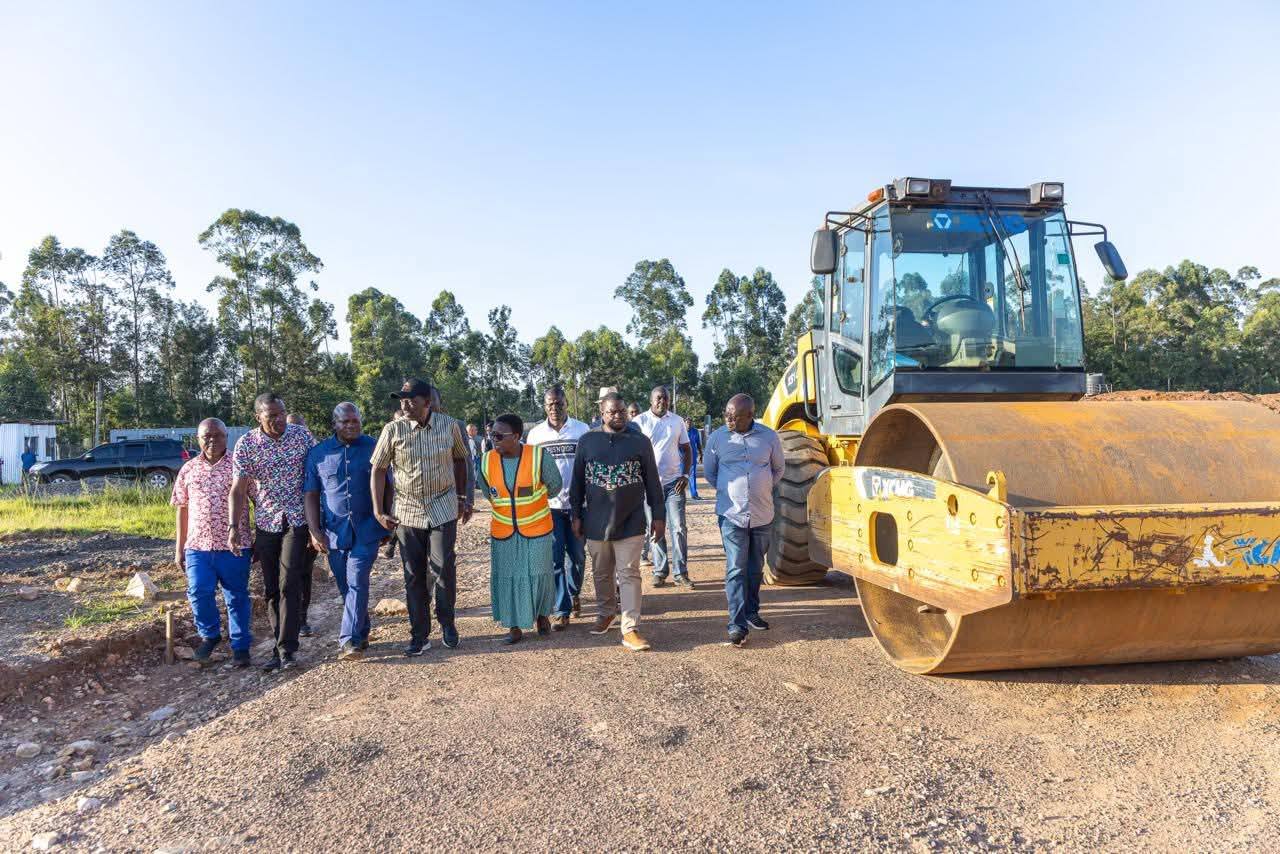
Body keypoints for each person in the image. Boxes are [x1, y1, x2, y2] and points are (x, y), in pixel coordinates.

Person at [371, 379, 472, 656]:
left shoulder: (448, 425)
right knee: (413, 575)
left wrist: (462, 498)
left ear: (427, 403)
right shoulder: (393, 430)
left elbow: (461, 458)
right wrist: (379, 510)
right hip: (408, 511)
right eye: (401, 400)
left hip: (442, 507)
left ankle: (447, 623)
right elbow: (378, 469)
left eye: (411, 400)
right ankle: (419, 634)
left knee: (443, 568)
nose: (404, 405)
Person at [570, 391, 665, 652]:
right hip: (596, 522)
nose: (618, 415)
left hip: (631, 520)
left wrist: (659, 516)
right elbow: (577, 482)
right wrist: (575, 514)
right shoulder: (588, 441)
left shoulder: (640, 442)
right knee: (601, 573)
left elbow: (653, 483)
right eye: (612, 411)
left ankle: (630, 628)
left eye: (622, 411)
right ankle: (606, 612)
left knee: (629, 574)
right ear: (602, 413)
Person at [229, 393, 314, 672]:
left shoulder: (301, 436)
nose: (278, 420)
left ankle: (287, 650)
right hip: (266, 522)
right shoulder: (247, 444)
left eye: (281, 414)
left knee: (289, 582)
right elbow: (239, 490)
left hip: (297, 520)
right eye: (271, 416)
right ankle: (279, 649)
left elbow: (318, 473)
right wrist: (234, 528)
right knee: (271, 589)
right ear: (258, 417)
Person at [304, 403, 390, 661]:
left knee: (357, 579)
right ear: (335, 424)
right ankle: (361, 631)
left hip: (367, 529)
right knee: (346, 586)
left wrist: (385, 518)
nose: (351, 425)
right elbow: (311, 493)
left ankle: (348, 640)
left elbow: (389, 485)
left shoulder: (374, 447)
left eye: (355, 421)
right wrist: (314, 529)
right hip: (334, 533)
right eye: (345, 422)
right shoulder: (318, 454)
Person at [703, 394, 785, 646]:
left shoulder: (769, 437)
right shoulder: (717, 438)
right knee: (736, 568)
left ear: (750, 415)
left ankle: (751, 613)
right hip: (731, 514)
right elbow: (710, 472)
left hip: (762, 514)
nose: (729, 419)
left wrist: (760, 489)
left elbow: (778, 468)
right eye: (726, 414)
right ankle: (736, 625)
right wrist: (735, 492)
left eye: (734, 416)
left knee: (754, 568)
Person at [172, 418, 254, 668]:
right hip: (198, 546)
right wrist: (179, 547)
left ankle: (240, 646)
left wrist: (258, 538)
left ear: (226, 437)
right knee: (198, 591)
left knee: (236, 595)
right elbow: (181, 508)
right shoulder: (188, 469)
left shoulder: (239, 466)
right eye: (206, 436)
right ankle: (210, 635)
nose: (212, 440)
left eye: (218, 435)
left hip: (234, 545)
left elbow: (257, 501)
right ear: (198, 439)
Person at [482, 413, 559, 645]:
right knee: (508, 577)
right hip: (504, 531)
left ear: (516, 436)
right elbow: (487, 492)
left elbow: (555, 486)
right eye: (491, 435)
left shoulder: (538, 456)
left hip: (537, 528)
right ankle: (514, 626)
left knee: (538, 573)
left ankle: (542, 617)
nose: (493, 439)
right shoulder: (486, 460)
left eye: (498, 435)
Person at [526, 385, 590, 628]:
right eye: (550, 404)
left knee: (577, 557)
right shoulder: (536, 435)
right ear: (545, 406)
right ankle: (561, 610)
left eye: (559, 403)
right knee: (554, 559)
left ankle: (575, 594)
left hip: (578, 506)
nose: (555, 408)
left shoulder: (582, 430)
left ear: (566, 404)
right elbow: (532, 470)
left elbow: (588, 466)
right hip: (548, 506)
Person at [634, 386, 694, 588]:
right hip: (649, 487)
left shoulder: (677, 421)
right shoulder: (639, 422)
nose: (663, 402)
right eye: (659, 398)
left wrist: (685, 475)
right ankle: (660, 571)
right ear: (651, 400)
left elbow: (686, 449)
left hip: (673, 484)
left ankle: (681, 573)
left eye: (666, 399)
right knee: (654, 529)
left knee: (678, 528)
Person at [287, 412, 319, 638]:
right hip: (281, 524)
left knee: (304, 572)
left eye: (301, 428)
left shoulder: (314, 451)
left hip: (308, 522)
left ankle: (302, 618)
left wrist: (316, 527)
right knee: (288, 574)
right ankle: (288, 619)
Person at [465, 422, 489, 492]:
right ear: (470, 431)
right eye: (474, 430)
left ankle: (476, 483)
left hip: (475, 458)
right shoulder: (467, 440)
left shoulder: (475, 439)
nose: (476, 431)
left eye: (476, 430)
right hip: (470, 459)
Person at [684, 416, 702, 499]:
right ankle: (679, 495)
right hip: (681, 457)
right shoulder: (680, 431)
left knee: (692, 475)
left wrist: (701, 454)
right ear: (684, 423)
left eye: (690, 422)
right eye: (687, 422)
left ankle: (694, 494)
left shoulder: (695, 431)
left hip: (692, 456)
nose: (689, 424)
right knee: (679, 476)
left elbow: (698, 444)